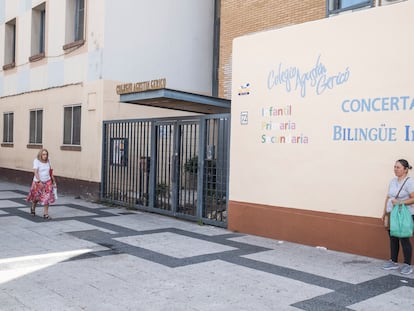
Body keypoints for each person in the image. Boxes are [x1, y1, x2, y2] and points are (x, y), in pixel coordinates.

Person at [382, 159, 414, 275]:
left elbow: (413, 198)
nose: (395, 169)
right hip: (392, 213)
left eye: (398, 167)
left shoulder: (409, 182)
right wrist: (385, 212)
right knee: (393, 238)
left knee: (404, 238)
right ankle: (393, 261)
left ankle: (407, 265)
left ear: (405, 170)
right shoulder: (393, 181)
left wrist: (400, 203)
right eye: (395, 167)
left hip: (404, 214)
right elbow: (388, 196)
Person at [26, 148, 57, 219]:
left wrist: (53, 180)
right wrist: (39, 181)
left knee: (47, 197)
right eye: (43, 154)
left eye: (46, 154)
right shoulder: (36, 161)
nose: (45, 156)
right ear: (40, 155)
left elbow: (50, 171)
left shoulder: (48, 161)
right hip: (38, 181)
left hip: (47, 181)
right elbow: (35, 172)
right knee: (36, 197)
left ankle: (45, 214)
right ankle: (33, 207)